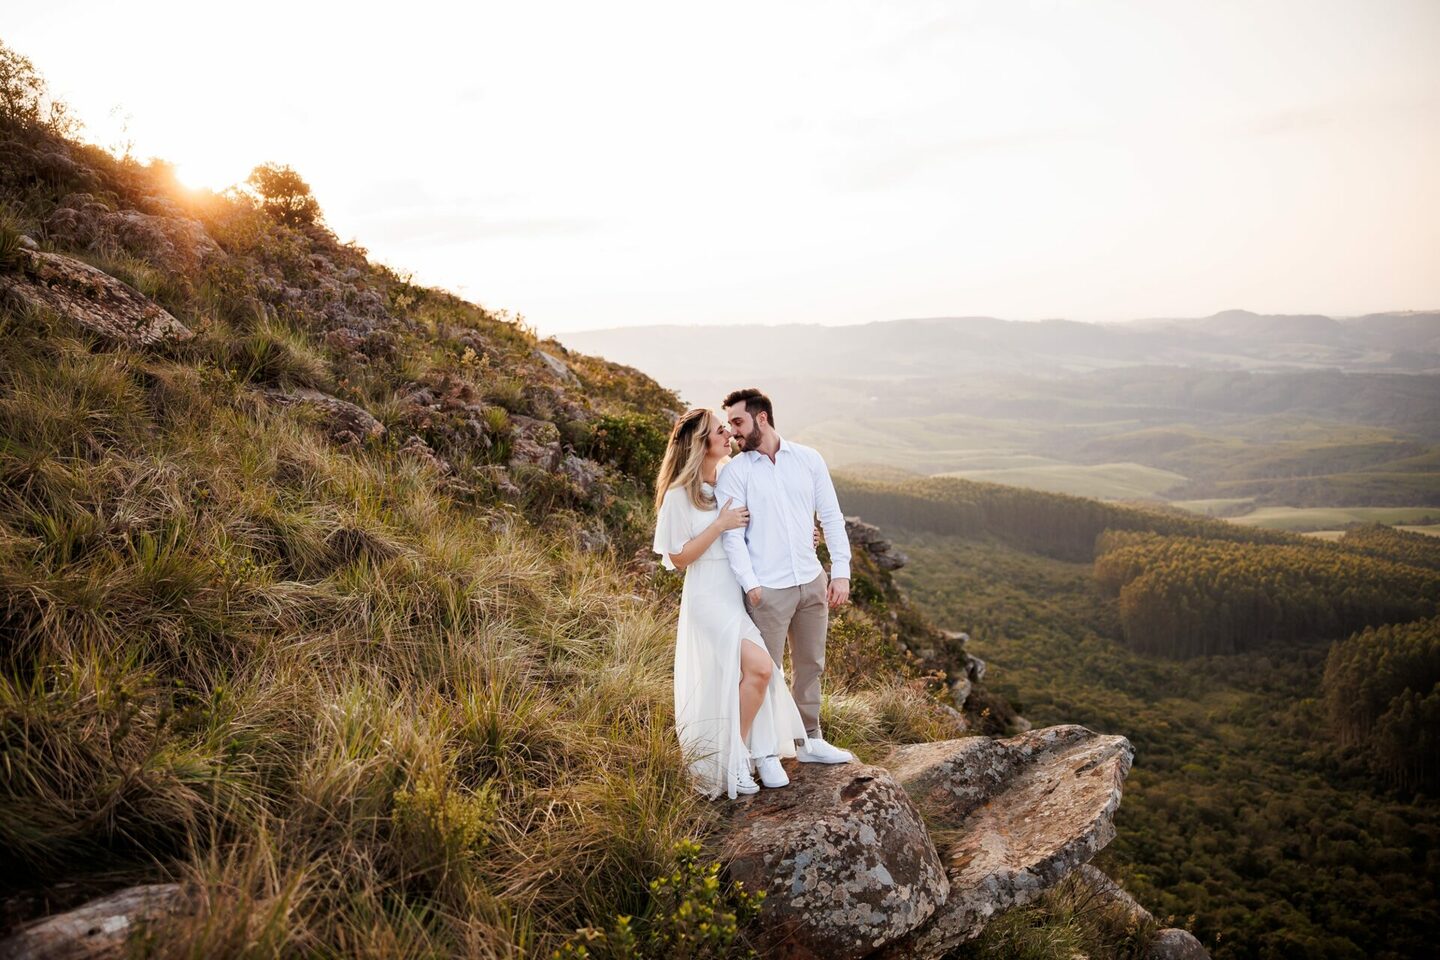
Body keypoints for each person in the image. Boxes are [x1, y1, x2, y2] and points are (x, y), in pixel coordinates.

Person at [652, 407, 809, 799]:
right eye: (718, 431)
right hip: (707, 597)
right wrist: (719, 525)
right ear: (698, 445)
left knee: (756, 674)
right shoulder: (677, 496)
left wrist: (804, 540)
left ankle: (744, 753)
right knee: (758, 668)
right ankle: (736, 758)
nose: (727, 435)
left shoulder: (725, 482)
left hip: (734, 596)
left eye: (726, 428)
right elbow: (677, 558)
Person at [715, 388, 855, 766]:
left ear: (762, 418)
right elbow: (732, 537)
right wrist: (751, 585)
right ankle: (766, 749)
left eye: (738, 422)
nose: (734, 433)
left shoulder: (809, 459)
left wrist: (839, 572)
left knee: (811, 666)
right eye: (729, 425)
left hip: (811, 582)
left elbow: (831, 516)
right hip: (768, 590)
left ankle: (810, 740)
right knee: (766, 674)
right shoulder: (735, 472)